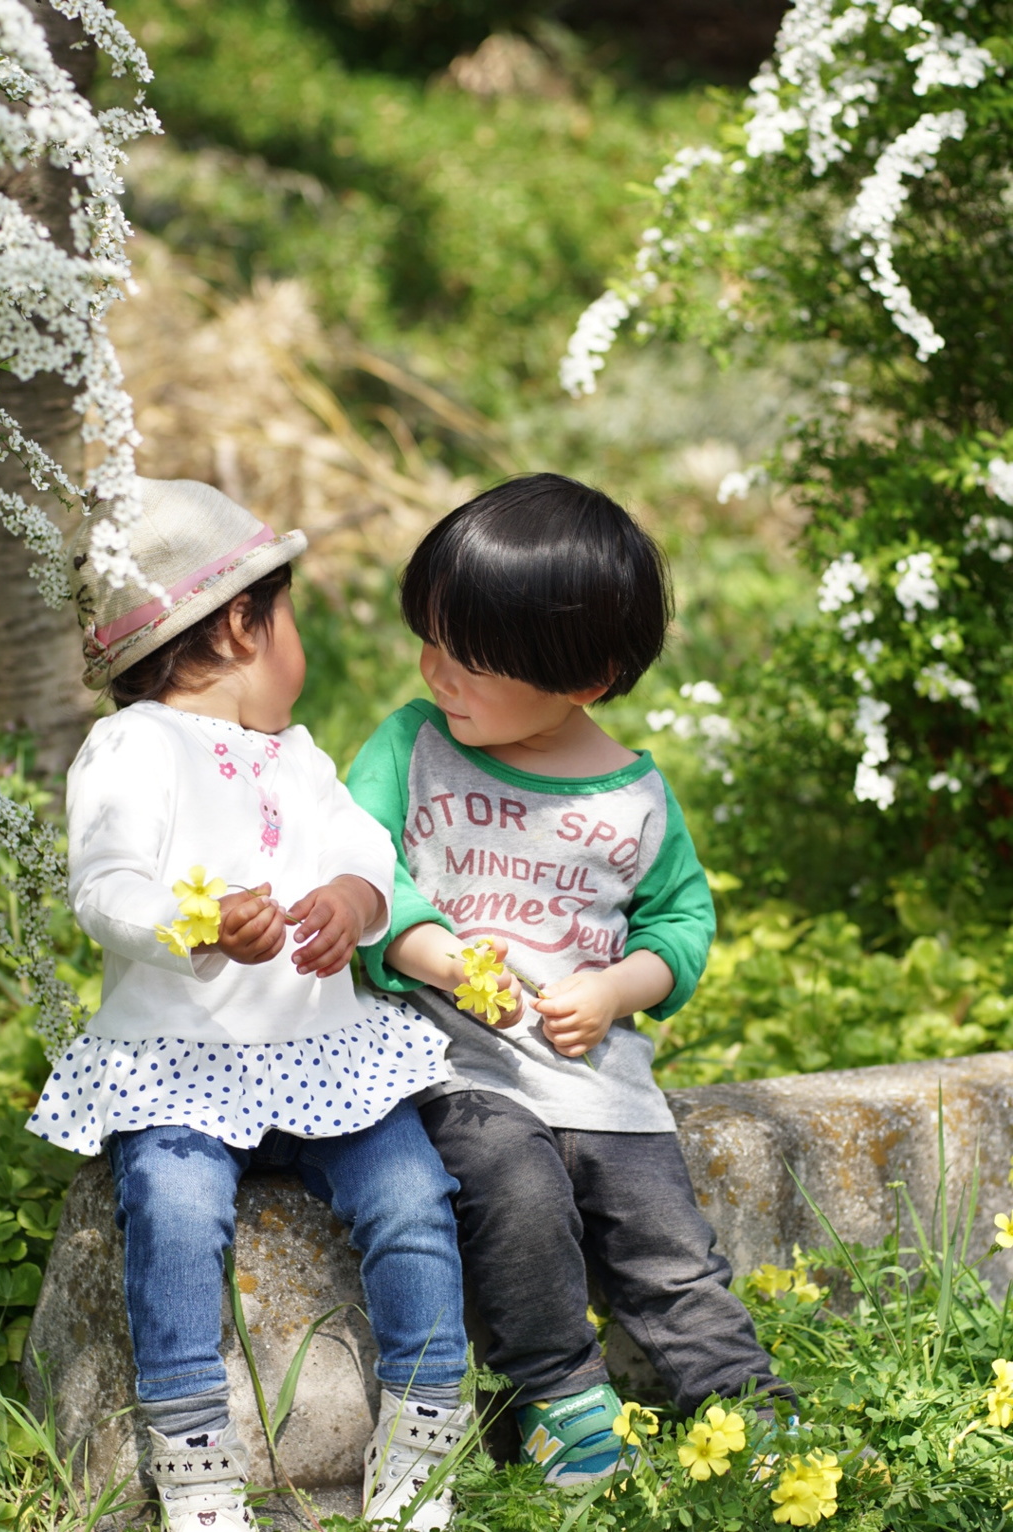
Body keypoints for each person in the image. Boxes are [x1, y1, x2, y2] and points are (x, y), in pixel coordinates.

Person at [27, 479, 469, 1532]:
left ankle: (424, 1434)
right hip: (180, 1058)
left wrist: (357, 897)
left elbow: (363, 846)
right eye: (292, 615)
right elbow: (107, 885)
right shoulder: (133, 747)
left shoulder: (299, 754)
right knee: (174, 1213)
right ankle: (195, 1463)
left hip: (320, 1054)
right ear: (239, 622)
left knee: (410, 1194)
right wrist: (194, 922)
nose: (297, 642)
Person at [347, 472, 795, 1488]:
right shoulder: (414, 745)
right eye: (432, 640)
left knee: (670, 1250)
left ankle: (750, 1409)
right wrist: (434, 956)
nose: (435, 670)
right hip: (457, 1069)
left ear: (584, 676)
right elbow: (359, 869)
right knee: (515, 1194)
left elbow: (681, 923)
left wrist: (615, 989)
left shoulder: (634, 792)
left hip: (606, 1086)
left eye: (469, 658)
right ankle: (561, 1397)